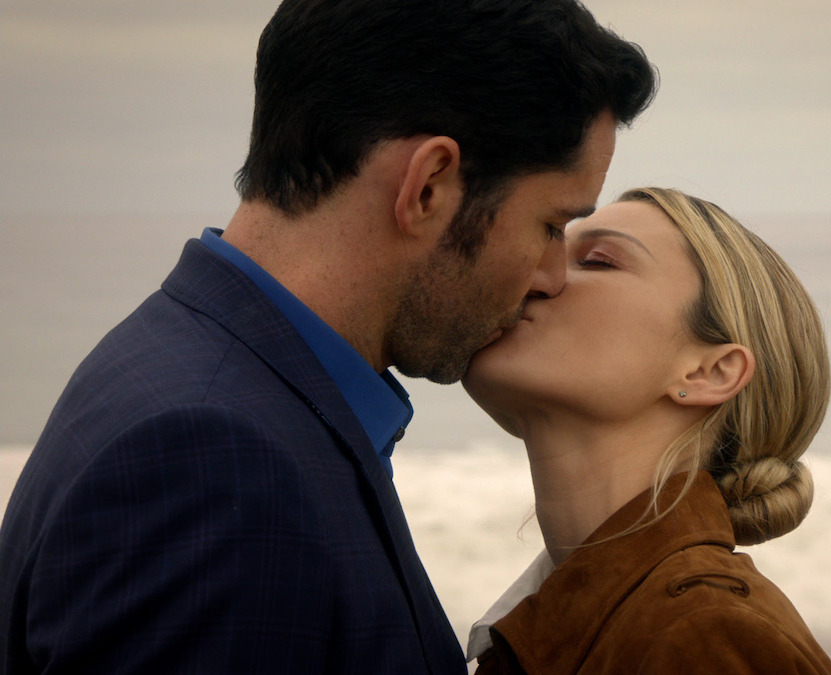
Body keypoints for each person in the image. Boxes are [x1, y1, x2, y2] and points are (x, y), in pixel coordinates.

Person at [0, 1, 655, 672]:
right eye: (550, 225)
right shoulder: (219, 462)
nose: (553, 275)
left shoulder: (203, 377)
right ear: (428, 186)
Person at [462, 187, 831, 674]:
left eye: (597, 261)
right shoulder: (559, 626)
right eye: (546, 245)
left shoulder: (707, 634)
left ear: (710, 372)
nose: (537, 274)